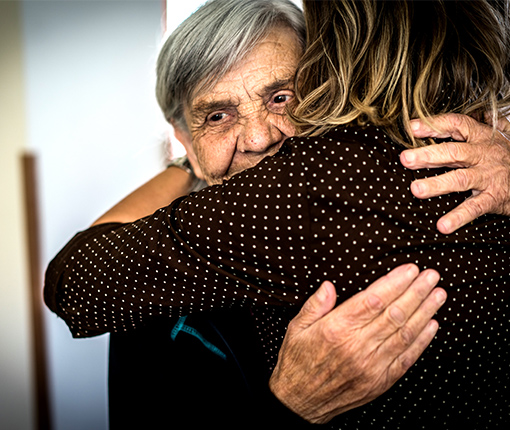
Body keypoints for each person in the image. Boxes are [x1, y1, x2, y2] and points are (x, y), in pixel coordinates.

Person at [44, 0, 510, 426]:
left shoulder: (329, 196)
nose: (259, 138)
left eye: (281, 98)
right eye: (217, 117)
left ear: (328, 94)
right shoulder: (147, 294)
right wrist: (287, 406)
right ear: (183, 139)